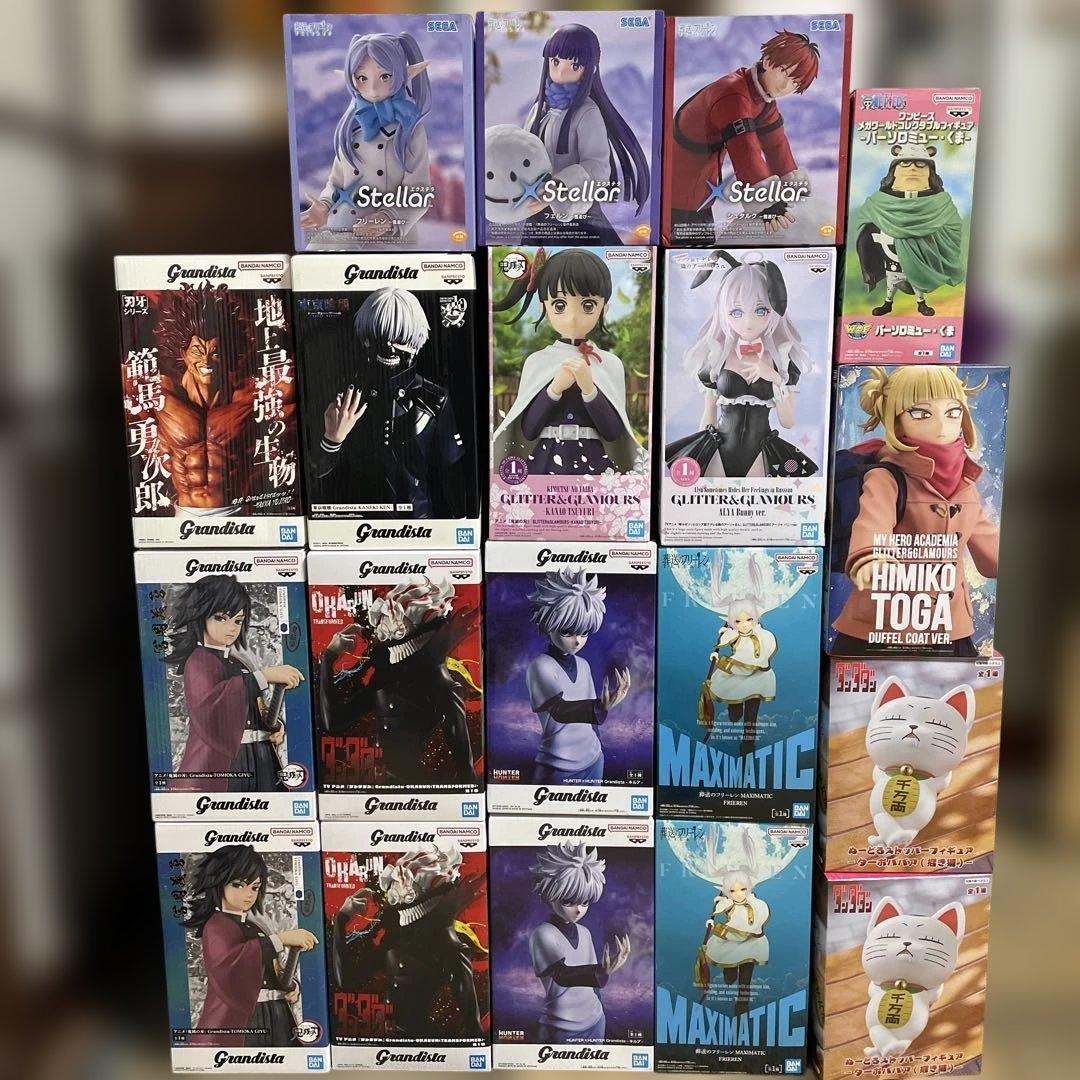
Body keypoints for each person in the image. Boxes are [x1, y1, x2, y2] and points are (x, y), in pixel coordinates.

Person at [831, 366, 999, 656]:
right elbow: (872, 522)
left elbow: (991, 553)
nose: (942, 425)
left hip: (950, 625)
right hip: (883, 625)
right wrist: (870, 558)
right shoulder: (886, 477)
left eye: (953, 412)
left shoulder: (966, 486)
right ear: (896, 421)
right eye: (921, 413)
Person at [306, 287, 467, 517]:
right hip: (355, 524)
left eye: (400, 338)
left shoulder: (435, 398)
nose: (389, 347)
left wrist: (462, 525)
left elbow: (453, 474)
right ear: (366, 339)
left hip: (419, 524)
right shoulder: (344, 396)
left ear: (415, 342)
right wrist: (332, 439)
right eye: (380, 336)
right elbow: (315, 473)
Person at [665, 253, 815, 479]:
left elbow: (787, 422)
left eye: (760, 310)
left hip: (760, 451)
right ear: (723, 312)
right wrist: (698, 454)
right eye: (736, 312)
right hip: (718, 448)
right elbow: (708, 416)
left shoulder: (783, 362)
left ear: (774, 309)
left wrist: (774, 378)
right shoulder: (716, 358)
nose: (748, 322)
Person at [492, 248, 641, 477]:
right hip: (546, 462)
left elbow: (612, 432)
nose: (572, 317)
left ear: (604, 309)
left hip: (594, 465)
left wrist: (589, 390)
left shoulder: (609, 363)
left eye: (588, 305)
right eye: (560, 305)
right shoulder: (537, 361)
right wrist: (554, 389)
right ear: (545, 307)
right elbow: (529, 430)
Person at [319, 578, 480, 783]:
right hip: (380, 784)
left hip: (417, 786)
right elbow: (334, 722)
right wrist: (329, 657)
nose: (379, 624)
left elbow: (465, 770)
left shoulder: (441, 685)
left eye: (389, 616)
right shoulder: (385, 675)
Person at [669, 30, 819, 240]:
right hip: (677, 191)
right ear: (767, 61)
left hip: (702, 192)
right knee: (688, 249)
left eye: (795, 82)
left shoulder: (762, 99)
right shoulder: (733, 94)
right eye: (784, 71)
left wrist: (791, 185)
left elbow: (776, 144)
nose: (786, 86)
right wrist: (767, 203)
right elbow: (745, 150)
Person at [166, 575, 304, 792]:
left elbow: (251, 709)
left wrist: (275, 726)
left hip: (258, 756)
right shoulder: (198, 661)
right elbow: (211, 708)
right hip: (225, 764)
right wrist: (263, 676)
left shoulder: (239, 662)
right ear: (200, 616)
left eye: (238, 621)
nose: (231, 627)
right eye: (221, 618)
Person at [515, 23, 649, 244]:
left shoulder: (587, 112)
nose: (561, 72)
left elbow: (598, 167)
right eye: (555, 62)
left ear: (590, 69)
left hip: (578, 216)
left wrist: (558, 186)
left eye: (574, 65)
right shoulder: (539, 110)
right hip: (538, 213)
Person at [300, 32, 432, 245]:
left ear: (401, 74)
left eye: (385, 76)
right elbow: (337, 181)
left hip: (388, 238)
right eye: (362, 78)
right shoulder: (350, 127)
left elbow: (419, 191)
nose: (372, 89)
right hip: (339, 227)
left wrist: (387, 218)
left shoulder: (410, 131)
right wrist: (323, 205)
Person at [184, 844, 318, 1047]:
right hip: (243, 1019)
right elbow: (229, 968)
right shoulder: (217, 925)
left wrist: (291, 986)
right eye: (238, 885)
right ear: (218, 883)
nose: (249, 894)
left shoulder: (256, 926)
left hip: (276, 1013)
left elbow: (271, 972)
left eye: (255, 887)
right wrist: (280, 940)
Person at [525, 570, 631, 783]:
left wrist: (599, 743)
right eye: (567, 632)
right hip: (556, 765)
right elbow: (559, 710)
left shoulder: (583, 665)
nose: (577, 641)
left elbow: (591, 722)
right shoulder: (540, 666)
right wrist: (599, 706)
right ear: (548, 625)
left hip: (594, 759)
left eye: (584, 633)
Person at [529, 842, 631, 1044]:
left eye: (584, 902)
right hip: (560, 1025)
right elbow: (562, 975)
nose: (578, 909)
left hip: (596, 1020)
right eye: (568, 901)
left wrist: (601, 985)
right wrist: (601, 970)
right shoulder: (543, 934)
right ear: (549, 895)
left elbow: (593, 987)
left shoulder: (585, 933)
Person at [852, 144, 964, 317]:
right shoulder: (876, 203)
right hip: (891, 261)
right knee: (891, 284)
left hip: (924, 261)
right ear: (894, 172)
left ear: (930, 173)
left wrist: (931, 238)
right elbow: (863, 228)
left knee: (917, 283)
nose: (912, 168)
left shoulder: (942, 204)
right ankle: (888, 304)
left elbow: (953, 230)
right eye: (904, 163)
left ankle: (921, 304)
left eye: (920, 164)